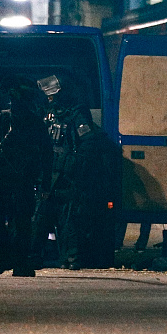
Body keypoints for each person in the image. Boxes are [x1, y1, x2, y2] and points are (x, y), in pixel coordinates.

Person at [0, 75, 52, 277]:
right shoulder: (34, 123)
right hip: (18, 181)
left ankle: (4, 261)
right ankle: (16, 263)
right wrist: (45, 185)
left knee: (3, 222)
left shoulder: (2, 119)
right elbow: (46, 156)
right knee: (19, 223)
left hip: (2, 180)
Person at [34, 74, 117, 270]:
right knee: (40, 216)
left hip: (66, 176)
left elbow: (89, 143)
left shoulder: (76, 114)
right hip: (47, 172)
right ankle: (34, 257)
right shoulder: (45, 113)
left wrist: (71, 165)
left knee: (67, 218)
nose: (49, 99)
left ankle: (70, 259)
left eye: (52, 95)